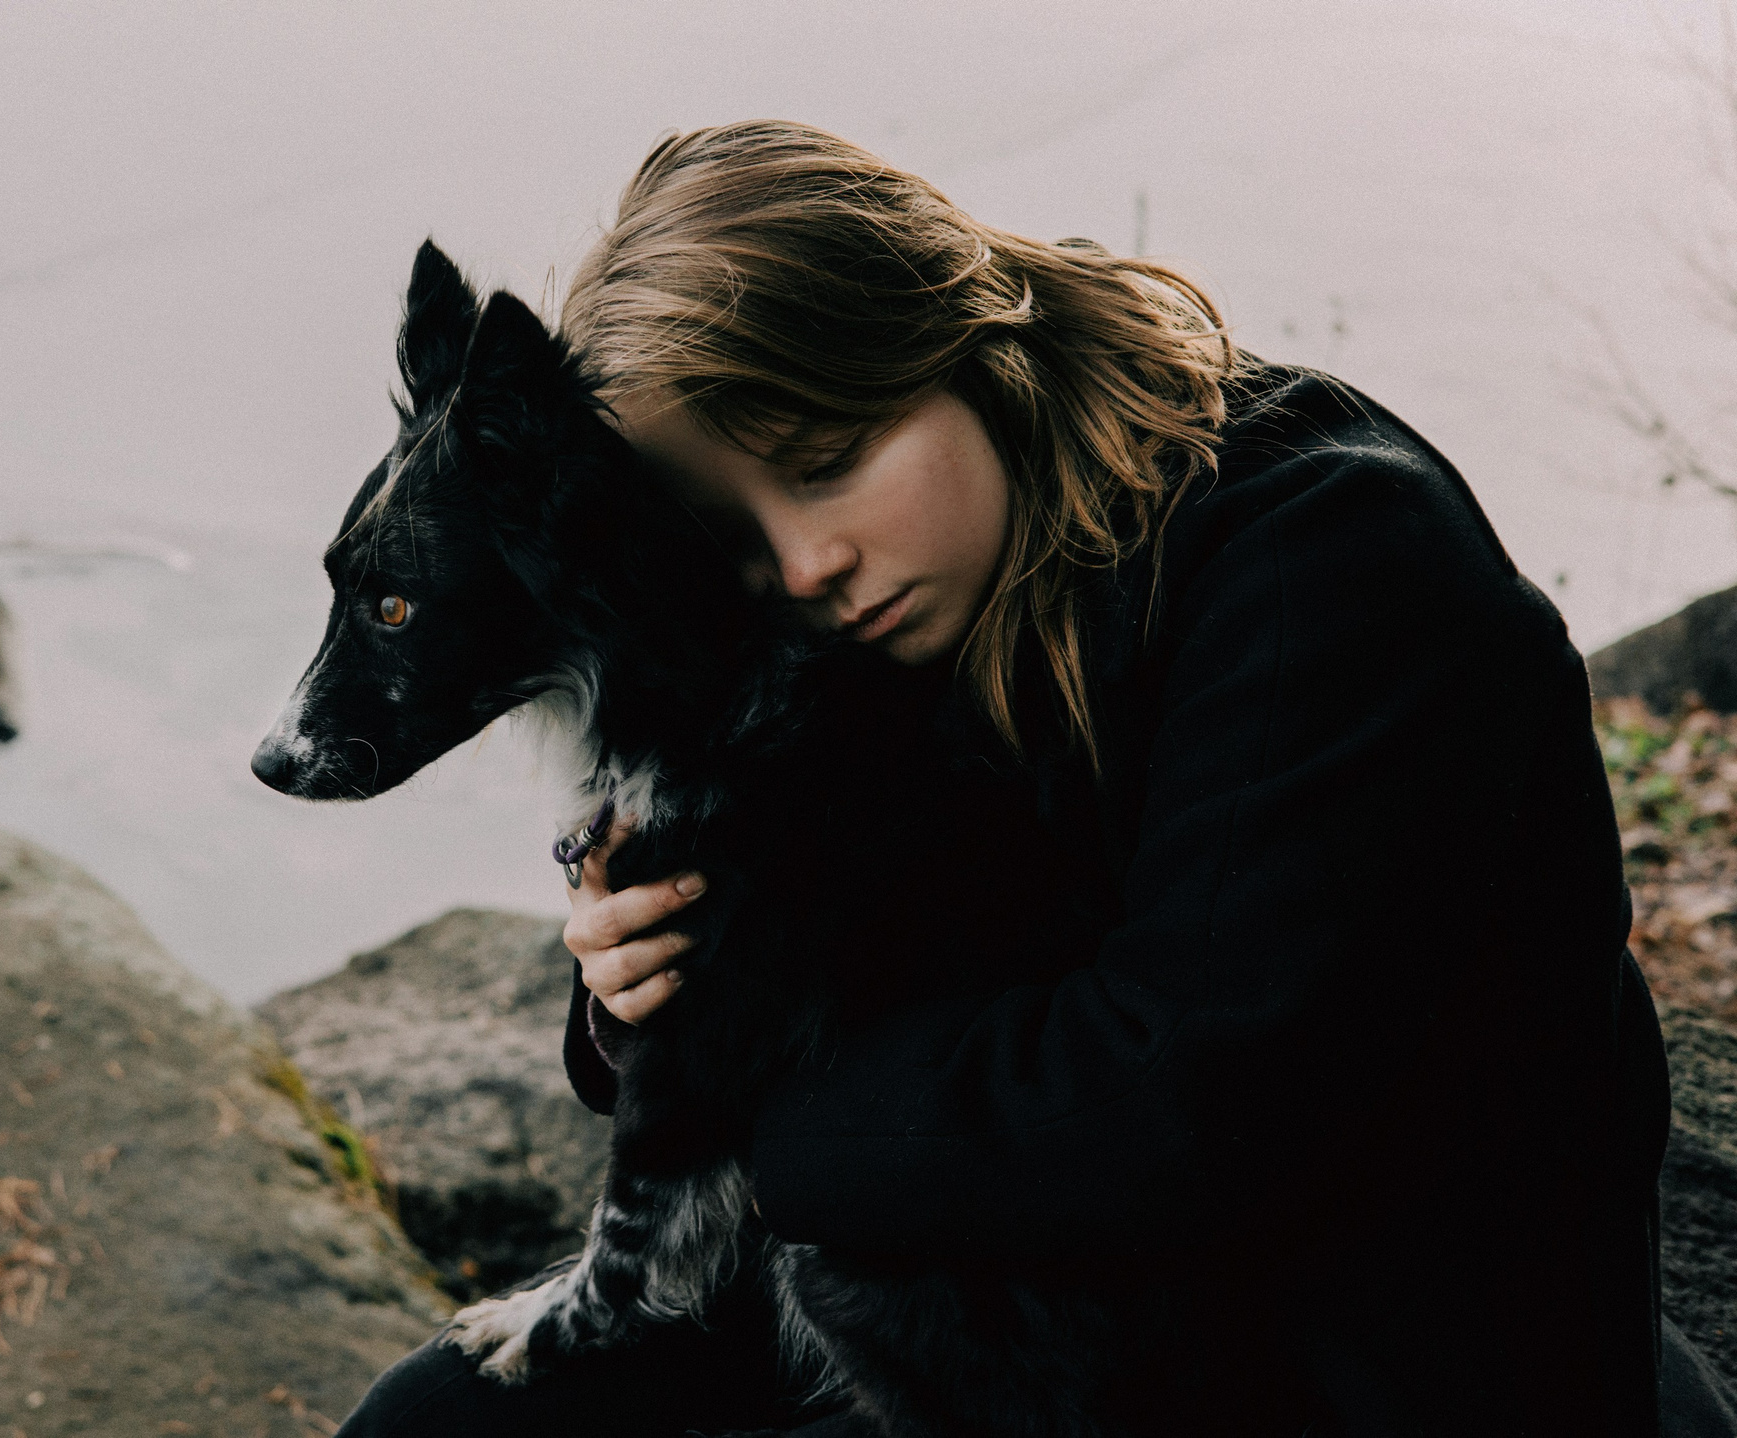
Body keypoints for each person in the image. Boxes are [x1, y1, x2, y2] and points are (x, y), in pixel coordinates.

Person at [337, 121, 1727, 1436]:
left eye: (826, 463)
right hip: (1012, 1282)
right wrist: (637, 977)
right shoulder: (906, 588)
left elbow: (1171, 1107)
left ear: (962, 338)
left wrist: (739, 1099)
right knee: (435, 1418)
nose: (804, 564)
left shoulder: (1338, 562)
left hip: (1339, 1351)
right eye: (736, 535)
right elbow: (824, 936)